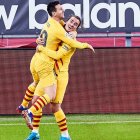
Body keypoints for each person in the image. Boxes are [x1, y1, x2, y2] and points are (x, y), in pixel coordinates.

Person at [18, 1, 94, 140]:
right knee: (36, 99)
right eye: (71, 21)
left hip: (60, 74)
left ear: (77, 28)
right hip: (49, 70)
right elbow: (47, 32)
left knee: (55, 106)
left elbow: (57, 55)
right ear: (67, 20)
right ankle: (35, 132)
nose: (71, 24)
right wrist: (38, 41)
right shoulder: (60, 27)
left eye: (75, 24)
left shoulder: (69, 39)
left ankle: (65, 136)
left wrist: (41, 48)